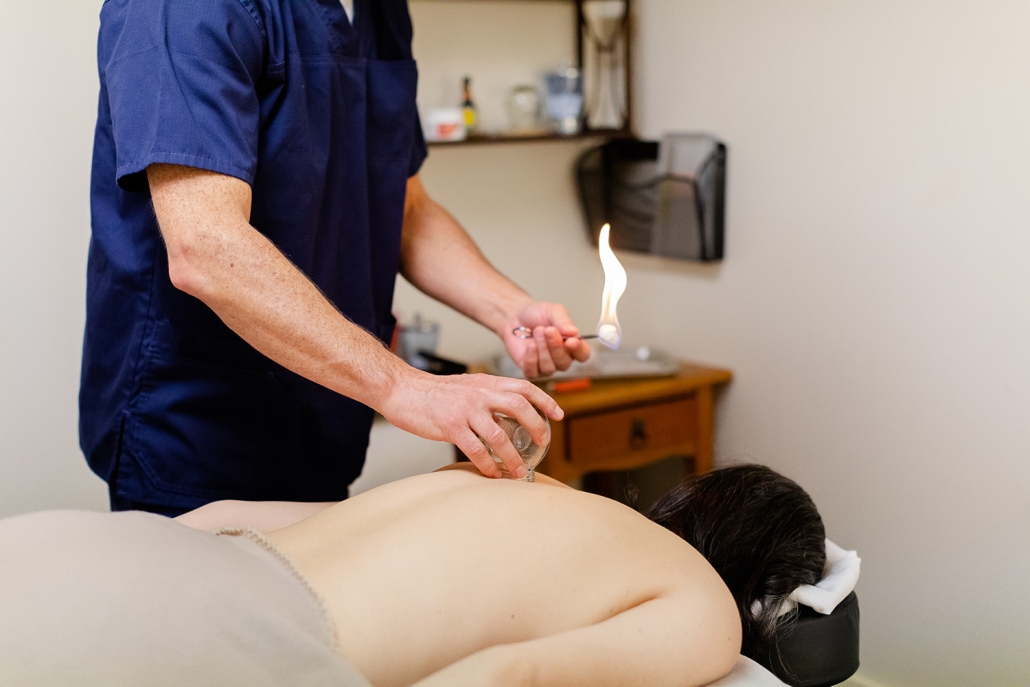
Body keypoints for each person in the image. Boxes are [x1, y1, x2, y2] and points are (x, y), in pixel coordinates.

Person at [81, 0, 590, 517]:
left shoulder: (381, 12)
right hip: (194, 431)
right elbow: (207, 247)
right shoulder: (184, 9)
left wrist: (509, 311)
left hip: (321, 419)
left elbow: (405, 207)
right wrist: (405, 387)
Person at [0, 464, 825, 687]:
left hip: (100, 550)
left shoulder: (507, 481)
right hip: (230, 636)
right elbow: (507, 675)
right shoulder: (705, 608)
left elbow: (220, 510)